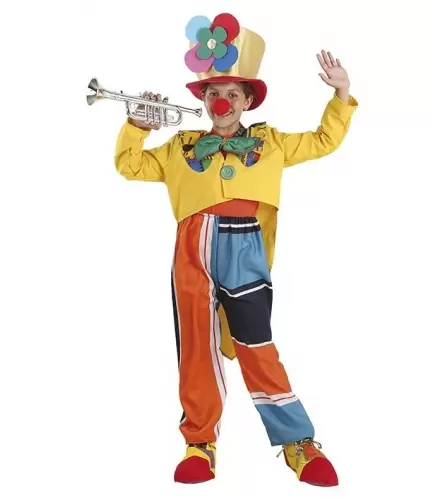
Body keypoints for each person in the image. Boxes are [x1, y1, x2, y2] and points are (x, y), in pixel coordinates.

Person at [114, 12, 358, 486]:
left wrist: (342, 93)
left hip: (244, 245)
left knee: (256, 344)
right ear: (203, 100)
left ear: (247, 100)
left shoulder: (270, 142)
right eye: (213, 93)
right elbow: (129, 165)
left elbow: (323, 140)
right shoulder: (181, 146)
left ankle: (297, 442)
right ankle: (199, 442)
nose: (221, 101)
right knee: (196, 347)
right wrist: (136, 126)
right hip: (191, 249)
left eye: (231, 93)